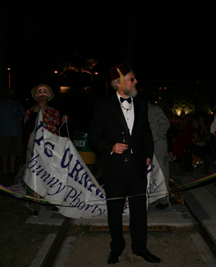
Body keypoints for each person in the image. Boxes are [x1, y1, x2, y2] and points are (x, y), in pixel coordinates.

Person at [88, 62, 160, 264]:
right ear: (119, 83)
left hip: (137, 168)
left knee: (139, 213)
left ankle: (140, 248)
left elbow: (146, 134)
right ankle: (117, 247)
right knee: (114, 212)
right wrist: (110, 146)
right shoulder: (103, 106)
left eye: (134, 78)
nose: (136, 81)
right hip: (114, 169)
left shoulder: (142, 104)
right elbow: (93, 137)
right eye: (131, 79)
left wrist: (147, 155)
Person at [24, 84, 68, 218]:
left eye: (45, 91)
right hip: (35, 148)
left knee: (52, 173)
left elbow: (59, 131)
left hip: (51, 148)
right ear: (36, 95)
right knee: (35, 175)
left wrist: (64, 122)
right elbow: (27, 130)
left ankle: (52, 202)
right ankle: (34, 206)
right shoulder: (30, 110)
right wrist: (34, 114)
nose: (42, 93)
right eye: (40, 91)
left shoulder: (54, 112)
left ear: (49, 95)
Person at [0, 88, 25, 177]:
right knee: (4, 152)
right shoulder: (1, 105)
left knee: (14, 152)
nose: (12, 94)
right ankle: (4, 171)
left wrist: (22, 119)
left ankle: (12, 170)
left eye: (14, 92)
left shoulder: (18, 105)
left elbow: (24, 117)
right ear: (7, 94)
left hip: (17, 132)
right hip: (4, 132)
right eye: (10, 92)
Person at [148, 101, 170, 209]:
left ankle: (164, 199)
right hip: (152, 144)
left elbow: (166, 124)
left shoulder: (154, 109)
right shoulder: (145, 111)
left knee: (162, 170)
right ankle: (155, 197)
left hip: (159, 143)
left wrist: (155, 136)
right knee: (153, 172)